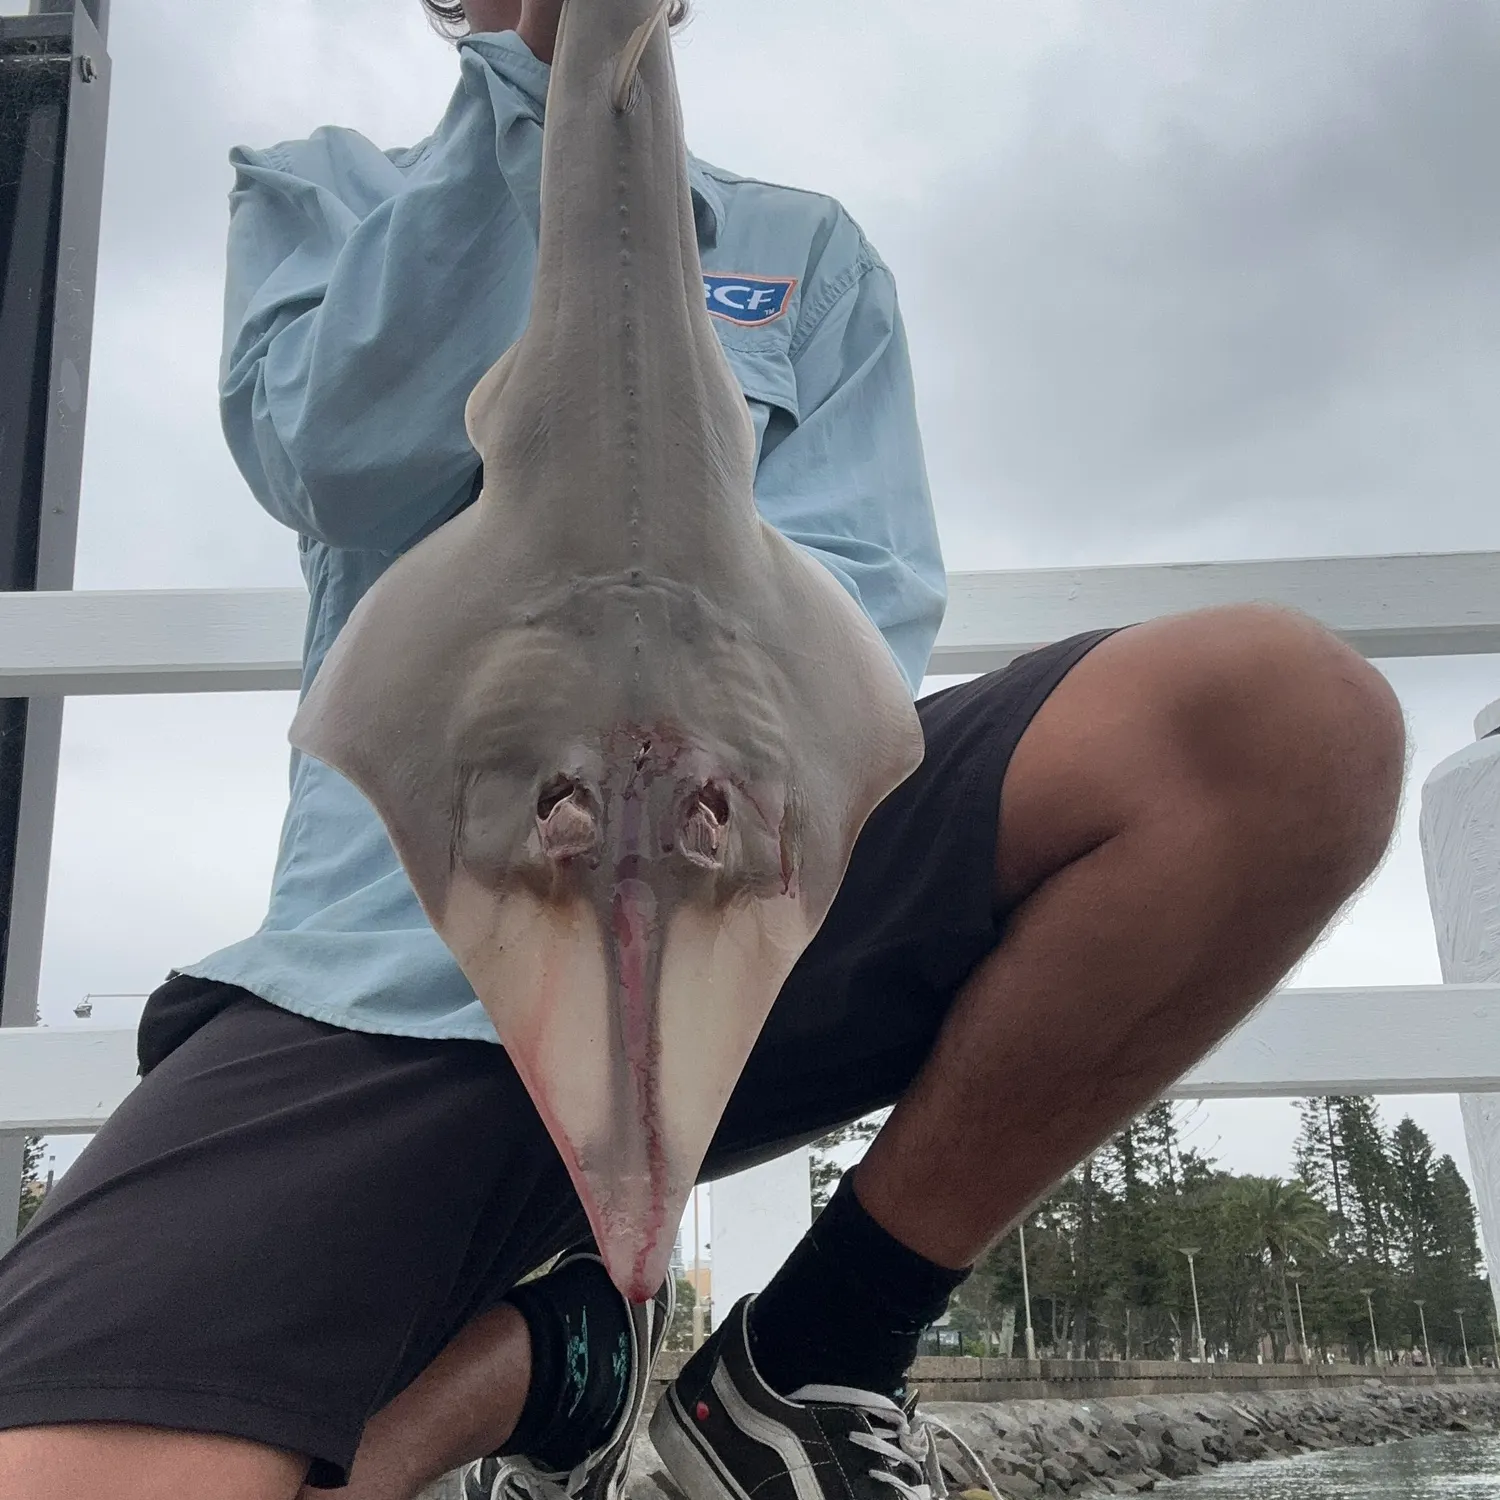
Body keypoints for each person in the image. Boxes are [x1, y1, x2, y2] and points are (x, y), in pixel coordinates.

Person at [0, 2, 1406, 1499]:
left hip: (760, 897)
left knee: (1286, 722)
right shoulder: (317, 195)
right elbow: (332, 456)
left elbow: (860, 601)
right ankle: (557, 1359)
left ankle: (810, 1361)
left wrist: (708, 790)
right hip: (397, 969)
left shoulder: (808, 257)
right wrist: (540, 92)